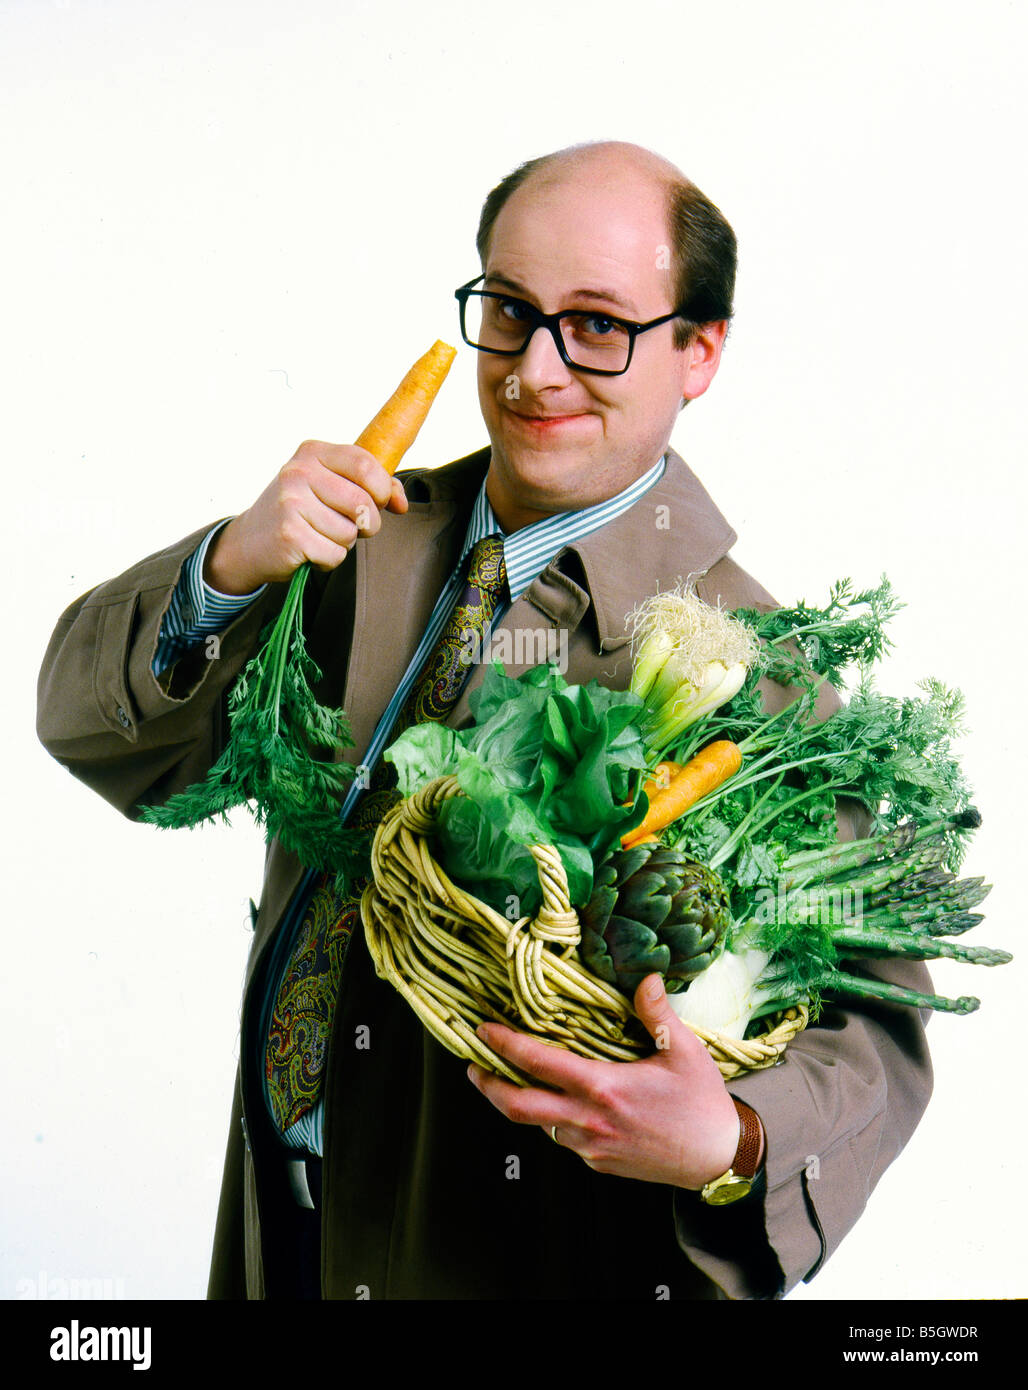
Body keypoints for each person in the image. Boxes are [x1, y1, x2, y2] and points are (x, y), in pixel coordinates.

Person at [36, 141, 933, 1300]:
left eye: (597, 324)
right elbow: (83, 722)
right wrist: (229, 568)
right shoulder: (344, 548)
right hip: (282, 1239)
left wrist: (736, 1141)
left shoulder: (759, 681)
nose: (535, 369)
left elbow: (875, 1027)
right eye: (509, 310)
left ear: (697, 351)